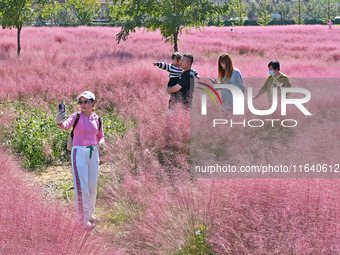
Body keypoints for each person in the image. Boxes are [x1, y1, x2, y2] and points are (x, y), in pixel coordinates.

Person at [55, 91, 104, 228]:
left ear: (93, 103)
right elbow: (65, 125)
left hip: (93, 153)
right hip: (79, 153)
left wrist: (102, 143)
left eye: (86, 101)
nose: (83, 104)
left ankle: (89, 214)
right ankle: (82, 219)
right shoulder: (75, 116)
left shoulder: (97, 119)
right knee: (81, 185)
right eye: (80, 102)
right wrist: (59, 121)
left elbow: (100, 136)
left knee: (92, 184)